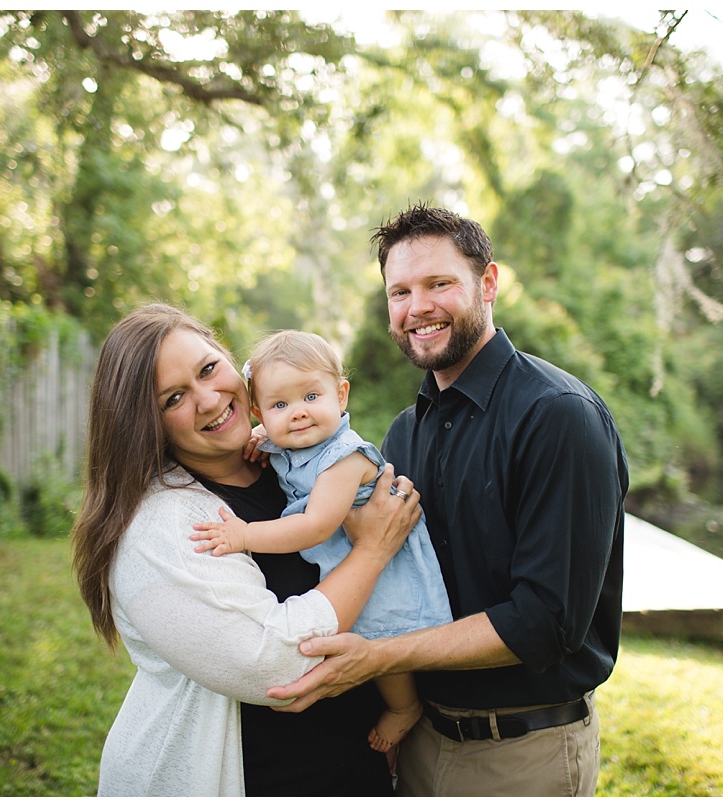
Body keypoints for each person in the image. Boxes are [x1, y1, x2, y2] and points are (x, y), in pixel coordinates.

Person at [267, 203, 629, 797]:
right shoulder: (407, 432)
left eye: (439, 284)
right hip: (419, 741)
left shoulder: (557, 416)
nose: (418, 308)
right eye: (400, 292)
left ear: (487, 283)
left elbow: (544, 623)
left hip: (522, 754)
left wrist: (379, 657)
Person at [69, 303, 421, 796]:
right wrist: (373, 552)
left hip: (356, 767)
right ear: (146, 423)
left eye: (209, 369)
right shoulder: (163, 527)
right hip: (254, 781)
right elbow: (273, 664)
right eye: (174, 398)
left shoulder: (284, 462)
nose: (210, 400)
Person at [189, 329, 453, 760]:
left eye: (311, 397)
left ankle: (404, 707)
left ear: (341, 395)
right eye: (279, 405)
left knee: (379, 636)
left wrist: (244, 535)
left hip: (383, 565)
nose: (298, 414)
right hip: (346, 557)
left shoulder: (345, 457)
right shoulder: (285, 442)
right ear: (258, 411)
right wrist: (260, 437)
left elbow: (315, 526)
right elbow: (270, 440)